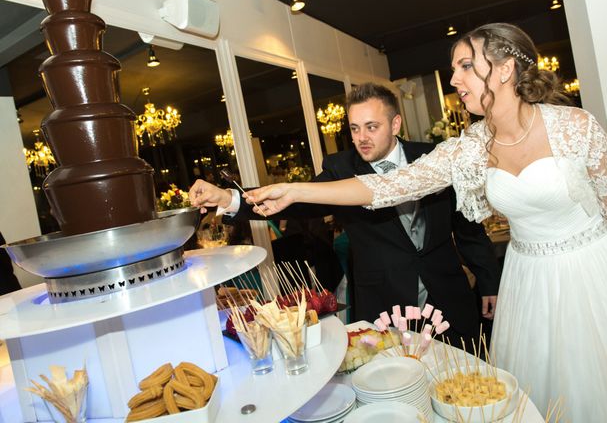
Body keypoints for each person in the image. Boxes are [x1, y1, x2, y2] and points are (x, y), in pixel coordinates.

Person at [244, 23, 607, 422]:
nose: (454, 79)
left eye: (466, 66)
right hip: (529, 282)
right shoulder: (470, 147)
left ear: (504, 69)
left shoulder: (577, 127)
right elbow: (389, 187)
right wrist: (297, 190)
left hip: (595, 275)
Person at [189, 83, 500, 349]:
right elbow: (300, 199)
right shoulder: (341, 168)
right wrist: (228, 198)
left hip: (447, 296)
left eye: (371, 127)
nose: (361, 137)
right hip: (385, 304)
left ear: (395, 124)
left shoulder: (432, 156)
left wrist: (488, 280)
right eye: (354, 128)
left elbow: (467, 223)